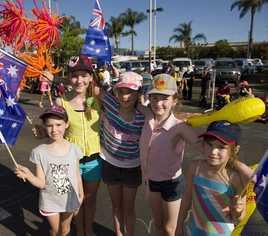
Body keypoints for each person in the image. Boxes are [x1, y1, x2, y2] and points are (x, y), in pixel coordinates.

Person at [139, 74, 200, 236]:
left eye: (165, 98)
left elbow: (201, 145)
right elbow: (131, 101)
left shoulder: (180, 127)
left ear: (174, 100)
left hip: (172, 184)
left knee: (171, 228)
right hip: (151, 181)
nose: (158, 103)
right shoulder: (148, 115)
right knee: (158, 225)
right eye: (154, 98)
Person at [15, 106, 84, 236]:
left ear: (67, 124)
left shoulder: (74, 149)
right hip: (50, 201)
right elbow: (41, 183)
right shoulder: (39, 152)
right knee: (55, 231)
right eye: (49, 125)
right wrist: (29, 175)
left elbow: (76, 174)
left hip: (70, 199)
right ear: (44, 126)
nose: (54, 130)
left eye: (58, 124)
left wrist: (81, 194)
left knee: (65, 229)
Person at [176, 121, 248, 236]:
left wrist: (238, 211)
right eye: (210, 144)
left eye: (221, 147)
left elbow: (239, 218)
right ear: (203, 145)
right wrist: (178, 225)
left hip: (221, 233)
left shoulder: (235, 178)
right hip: (194, 229)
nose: (213, 151)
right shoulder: (195, 167)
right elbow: (186, 199)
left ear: (234, 150)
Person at [56, 55, 101, 236]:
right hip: (71, 162)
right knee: (75, 201)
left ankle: (88, 231)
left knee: (90, 200)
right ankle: (80, 231)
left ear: (91, 77)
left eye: (84, 75)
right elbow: (53, 130)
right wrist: (41, 130)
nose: (79, 80)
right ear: (69, 77)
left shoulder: (99, 99)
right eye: (74, 75)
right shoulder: (61, 102)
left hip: (94, 161)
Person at [100, 71, 144, 236]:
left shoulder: (143, 116)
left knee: (128, 207)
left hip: (132, 167)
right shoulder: (110, 103)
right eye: (121, 91)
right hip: (110, 163)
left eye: (130, 92)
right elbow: (93, 87)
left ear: (139, 92)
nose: (125, 96)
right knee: (116, 206)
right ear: (116, 91)